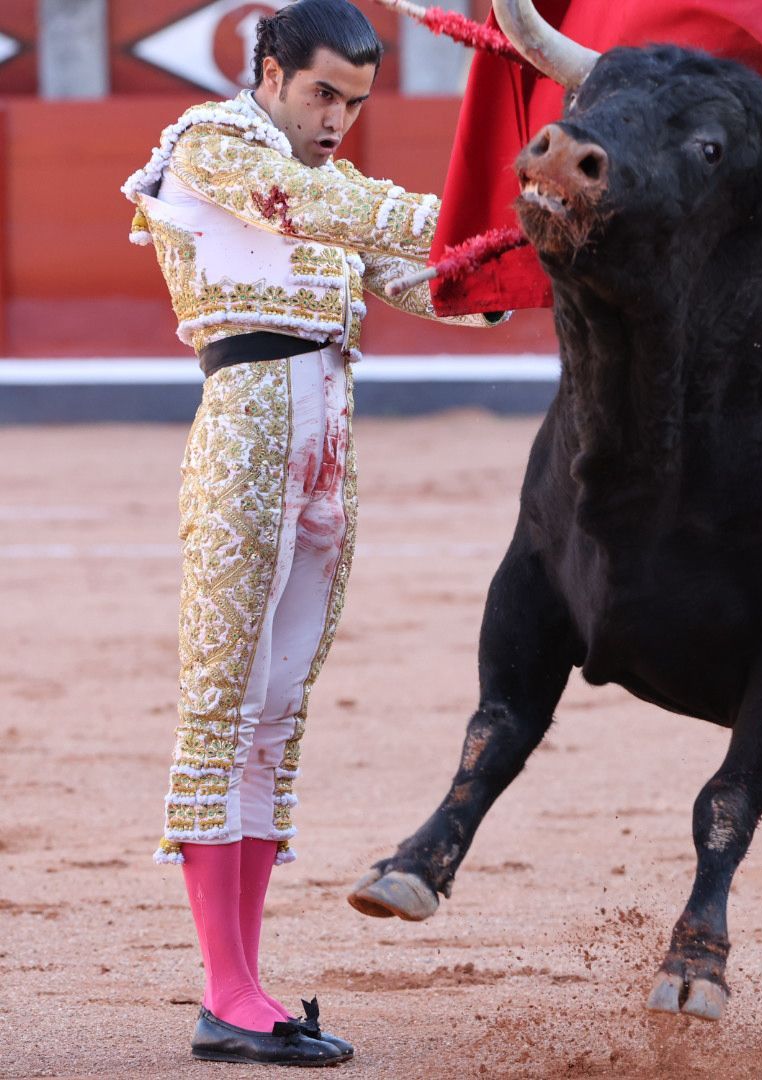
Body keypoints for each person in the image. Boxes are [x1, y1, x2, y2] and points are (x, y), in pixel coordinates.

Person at [120, 0, 504, 1065]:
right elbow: (322, 206)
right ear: (273, 72)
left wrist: (526, 256)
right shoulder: (214, 147)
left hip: (327, 443)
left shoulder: (336, 207)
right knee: (223, 699)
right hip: (246, 434)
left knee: (274, 711)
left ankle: (243, 989)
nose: (338, 117)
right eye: (324, 93)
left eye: (356, 102)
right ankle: (227, 991)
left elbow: (429, 282)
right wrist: (476, 212)